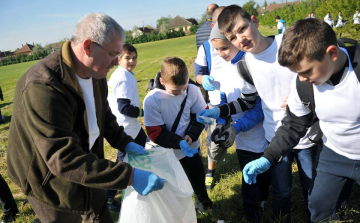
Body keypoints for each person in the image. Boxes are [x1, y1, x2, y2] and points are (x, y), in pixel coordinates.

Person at [6, 13, 164, 223]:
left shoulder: (96, 72)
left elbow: (103, 115)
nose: (117, 61)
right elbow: (62, 158)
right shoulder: (44, 85)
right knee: (64, 218)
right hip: (47, 178)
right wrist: (130, 176)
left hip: (86, 162)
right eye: (113, 54)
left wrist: (125, 143)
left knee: (98, 213)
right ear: (88, 46)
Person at [198, 5, 320, 222]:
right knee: (281, 190)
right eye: (233, 37)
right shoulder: (245, 65)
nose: (240, 39)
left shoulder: (287, 44)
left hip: (306, 133)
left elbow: (317, 74)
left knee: (311, 185)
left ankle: (317, 216)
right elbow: (247, 101)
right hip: (274, 137)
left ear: (254, 21)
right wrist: (220, 110)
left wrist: (302, 94)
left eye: (242, 29)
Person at [243, 18, 360, 222]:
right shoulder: (303, 84)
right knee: (318, 205)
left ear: (331, 53)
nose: (302, 79)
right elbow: (293, 124)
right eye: (297, 73)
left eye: (306, 72)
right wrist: (268, 157)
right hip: (335, 154)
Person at [209, 22, 271, 222]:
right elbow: (225, 103)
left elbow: (259, 108)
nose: (221, 54)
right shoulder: (225, 70)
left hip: (262, 137)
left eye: (224, 48)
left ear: (235, 41)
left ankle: (263, 201)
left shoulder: (251, 66)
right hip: (243, 140)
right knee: (249, 181)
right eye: (216, 49)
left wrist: (236, 128)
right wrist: (221, 124)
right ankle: (252, 216)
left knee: (265, 179)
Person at [144, 57, 213, 213]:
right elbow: (155, 132)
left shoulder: (192, 90)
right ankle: (180, 212)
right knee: (173, 186)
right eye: (175, 91)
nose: (181, 93)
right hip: (167, 152)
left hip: (191, 147)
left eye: (184, 88)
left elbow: (200, 116)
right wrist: (178, 142)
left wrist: (191, 134)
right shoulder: (152, 100)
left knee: (197, 177)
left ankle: (203, 203)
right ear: (162, 81)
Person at [106, 43, 148, 212]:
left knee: (145, 147)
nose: (131, 61)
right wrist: (143, 112)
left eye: (134, 58)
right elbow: (124, 107)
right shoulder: (123, 78)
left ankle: (141, 180)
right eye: (127, 58)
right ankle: (109, 198)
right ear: (119, 59)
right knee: (121, 164)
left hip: (131, 126)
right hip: (125, 128)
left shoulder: (121, 74)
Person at [194, 6, 229, 191]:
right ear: (214, 24)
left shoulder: (239, 42)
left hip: (242, 102)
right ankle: (210, 171)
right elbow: (198, 73)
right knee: (214, 142)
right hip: (217, 103)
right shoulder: (206, 47)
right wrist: (203, 79)